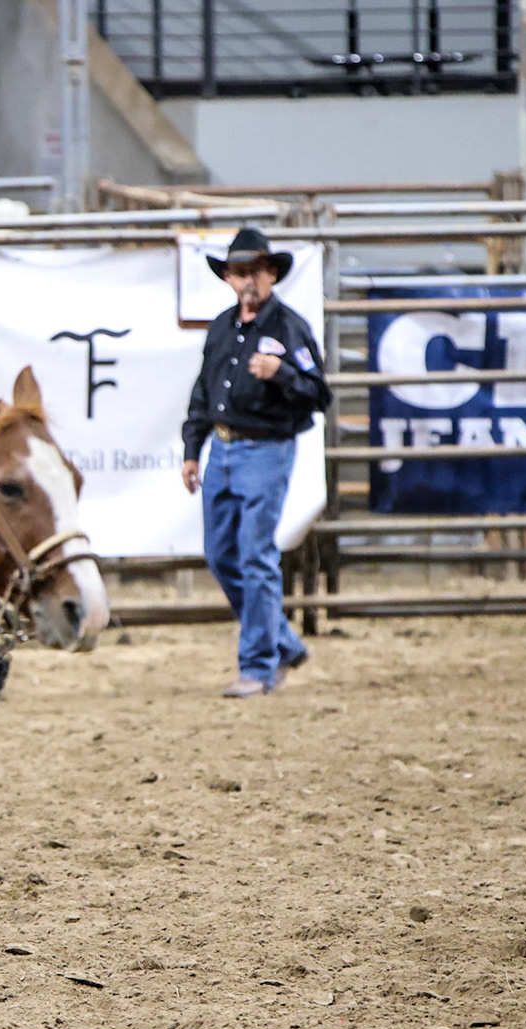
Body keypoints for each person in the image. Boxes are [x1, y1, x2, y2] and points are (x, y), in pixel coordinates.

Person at [179, 227, 330, 698]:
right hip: (222, 448)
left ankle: (258, 665)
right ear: (228, 277)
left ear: (271, 275)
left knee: (254, 555)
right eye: (239, 272)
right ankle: (280, 641)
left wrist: (282, 372)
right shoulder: (223, 327)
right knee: (223, 554)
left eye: (255, 272)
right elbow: (203, 393)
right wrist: (191, 449)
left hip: (267, 448)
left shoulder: (289, 328)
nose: (247, 280)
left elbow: (319, 392)